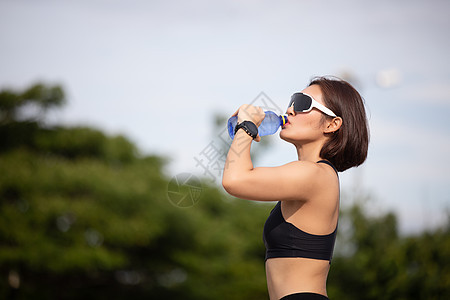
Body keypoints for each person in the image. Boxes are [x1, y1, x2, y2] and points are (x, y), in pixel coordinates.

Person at [222, 76, 369, 300]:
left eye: (302, 104)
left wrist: (247, 127)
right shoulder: (313, 174)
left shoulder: (315, 175)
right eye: (292, 101)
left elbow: (235, 180)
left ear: (332, 124)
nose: (290, 110)